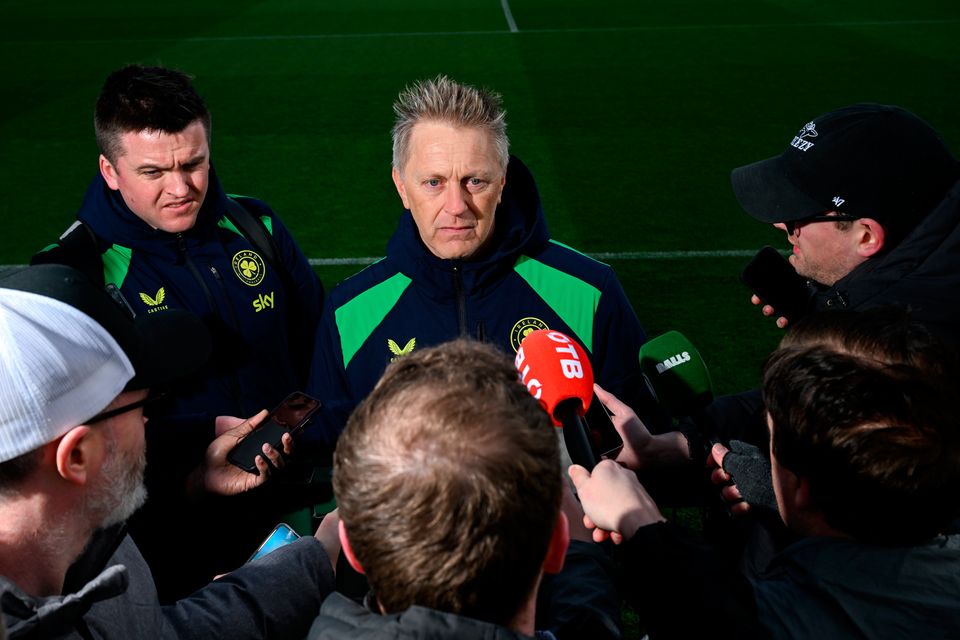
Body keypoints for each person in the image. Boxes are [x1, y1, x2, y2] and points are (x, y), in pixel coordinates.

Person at [31, 64, 325, 599]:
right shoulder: (74, 275)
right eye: (153, 173)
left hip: (291, 512)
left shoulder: (257, 227)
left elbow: (319, 352)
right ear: (109, 169)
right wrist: (196, 470)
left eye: (194, 163)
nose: (182, 188)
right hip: (167, 545)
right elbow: (72, 453)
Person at [304, 75, 661, 450]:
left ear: (503, 182)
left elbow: (645, 442)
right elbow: (331, 455)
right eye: (433, 183)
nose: (457, 207)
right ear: (401, 187)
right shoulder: (349, 312)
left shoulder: (589, 290)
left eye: (475, 181)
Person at [571, 308, 960, 637]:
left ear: (801, 485)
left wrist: (638, 520)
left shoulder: (780, 617)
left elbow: (714, 615)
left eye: (769, 439)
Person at [0, 264, 336, 639]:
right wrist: (319, 555)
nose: (149, 424)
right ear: (77, 455)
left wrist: (196, 484)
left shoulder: (80, 531)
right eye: (147, 405)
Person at [307, 339, 621, 639]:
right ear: (557, 544)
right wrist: (640, 532)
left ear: (352, 547)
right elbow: (587, 611)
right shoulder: (589, 618)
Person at [732, 102, 960, 340]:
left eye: (797, 215)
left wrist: (824, 345)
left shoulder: (892, 353)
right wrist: (821, 310)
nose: (779, 223)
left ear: (867, 236)